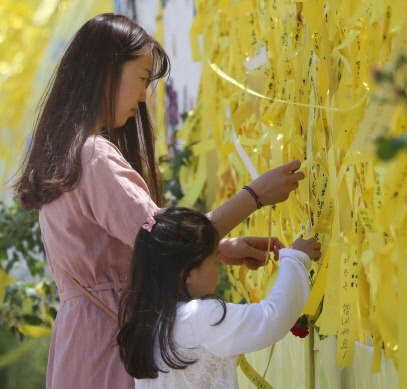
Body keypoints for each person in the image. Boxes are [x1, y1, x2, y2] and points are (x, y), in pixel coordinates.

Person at [11, 13, 305, 389]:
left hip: (79, 344)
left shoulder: (67, 154)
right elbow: (165, 244)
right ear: (106, 72)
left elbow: (141, 243)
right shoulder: (94, 155)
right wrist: (255, 196)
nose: (144, 95)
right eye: (141, 78)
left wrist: (218, 247)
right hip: (111, 343)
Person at [117, 207, 321, 388]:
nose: (219, 268)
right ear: (186, 274)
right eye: (215, 259)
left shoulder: (149, 326)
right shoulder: (197, 318)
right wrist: (294, 258)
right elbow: (273, 317)